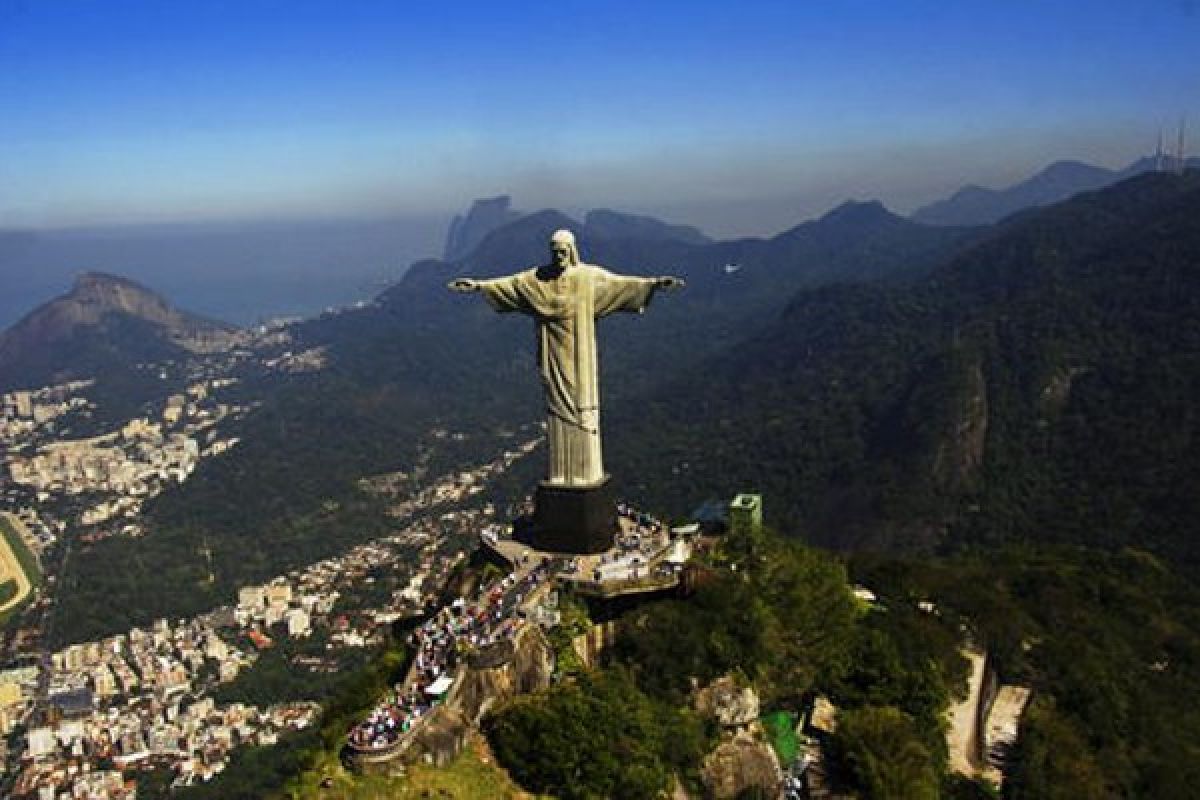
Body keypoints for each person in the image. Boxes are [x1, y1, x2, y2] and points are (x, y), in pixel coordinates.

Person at [449, 229, 683, 486]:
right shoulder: (538, 280)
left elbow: (621, 284)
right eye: (555, 252)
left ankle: (585, 474)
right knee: (557, 408)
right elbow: (511, 285)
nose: (559, 256)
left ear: (572, 251)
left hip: (580, 356)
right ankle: (561, 475)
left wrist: (654, 284)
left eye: (564, 251)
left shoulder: (588, 278)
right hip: (554, 355)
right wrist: (479, 286)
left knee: (582, 408)